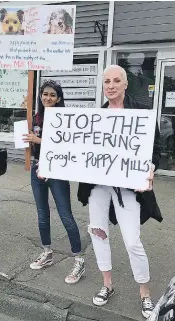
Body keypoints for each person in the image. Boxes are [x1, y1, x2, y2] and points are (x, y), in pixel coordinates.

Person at [77, 65, 162, 318]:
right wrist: (52, 165)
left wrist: (151, 168)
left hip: (129, 188)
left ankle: (145, 293)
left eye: (116, 81)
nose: (111, 86)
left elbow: (155, 150)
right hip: (98, 187)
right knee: (98, 233)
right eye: (106, 82)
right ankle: (107, 284)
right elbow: (80, 153)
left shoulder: (141, 114)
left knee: (132, 241)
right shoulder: (95, 117)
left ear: (125, 84)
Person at [23, 80, 84, 284]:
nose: (47, 98)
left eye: (52, 95)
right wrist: (24, 138)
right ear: (40, 96)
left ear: (59, 98)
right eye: (44, 94)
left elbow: (66, 145)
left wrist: (38, 141)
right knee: (42, 214)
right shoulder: (35, 118)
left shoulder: (64, 119)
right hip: (37, 169)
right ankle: (47, 252)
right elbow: (29, 144)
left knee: (66, 215)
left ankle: (78, 259)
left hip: (58, 172)